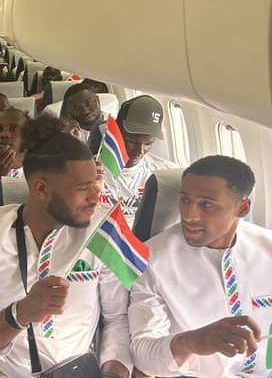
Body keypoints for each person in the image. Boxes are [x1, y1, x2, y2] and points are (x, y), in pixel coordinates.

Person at [0, 127, 132, 378]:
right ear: (40, 189)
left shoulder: (102, 229)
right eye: (83, 188)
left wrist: (115, 368)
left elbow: (117, 318)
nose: (96, 197)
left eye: (95, 185)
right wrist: (20, 314)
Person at [129, 156, 272, 377]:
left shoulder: (267, 248)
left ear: (242, 208)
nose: (189, 215)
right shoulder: (150, 259)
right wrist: (190, 342)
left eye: (206, 204)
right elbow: (142, 352)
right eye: (185, 200)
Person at [101, 96, 177, 225]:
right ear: (117, 132)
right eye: (132, 141)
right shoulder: (92, 170)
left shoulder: (166, 174)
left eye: (148, 144)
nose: (140, 151)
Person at [60, 83, 106, 152]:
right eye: (77, 107)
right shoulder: (67, 134)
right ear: (69, 111)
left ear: (98, 100)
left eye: (89, 103)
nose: (85, 111)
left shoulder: (114, 124)